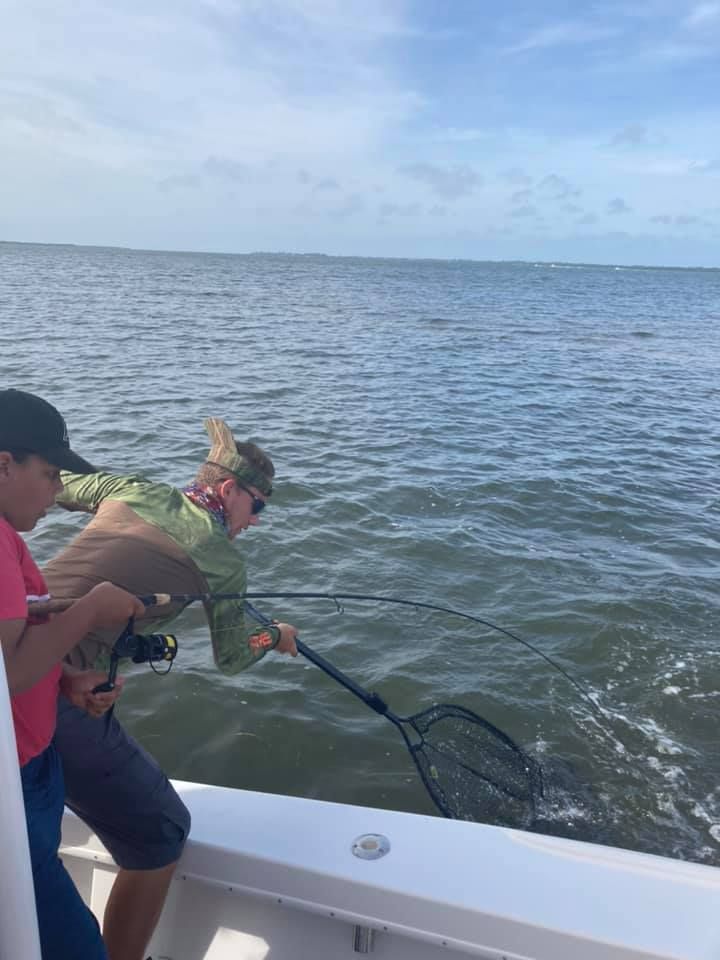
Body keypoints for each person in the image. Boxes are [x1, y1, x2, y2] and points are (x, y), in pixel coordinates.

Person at [43, 416, 299, 960]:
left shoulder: (132, 487)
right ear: (228, 491)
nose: (255, 522)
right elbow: (232, 657)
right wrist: (274, 636)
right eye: (258, 507)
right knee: (161, 832)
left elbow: (54, 485)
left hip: (13, 643)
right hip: (56, 694)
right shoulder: (225, 564)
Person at [0, 388, 145, 960]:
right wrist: (90, 607)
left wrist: (63, 678)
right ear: (3, 465)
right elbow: (8, 672)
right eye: (52, 474)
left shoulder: (10, 539)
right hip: (12, 789)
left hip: (34, 771)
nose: (59, 492)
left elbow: (12, 640)